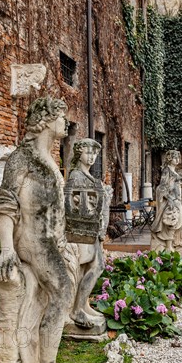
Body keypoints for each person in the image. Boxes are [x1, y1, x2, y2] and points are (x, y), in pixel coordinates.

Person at [0, 97, 77, 363]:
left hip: (53, 240)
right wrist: (6, 249)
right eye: (61, 116)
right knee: (63, 291)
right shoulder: (21, 158)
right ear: (45, 119)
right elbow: (5, 202)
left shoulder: (50, 158)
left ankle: (46, 361)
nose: (64, 122)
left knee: (62, 292)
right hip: (33, 240)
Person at [66, 138, 112, 329]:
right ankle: (77, 309)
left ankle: (83, 304)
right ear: (79, 154)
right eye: (88, 152)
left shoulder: (88, 177)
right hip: (82, 230)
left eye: (94, 153)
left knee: (92, 267)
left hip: (92, 229)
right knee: (94, 266)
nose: (92, 157)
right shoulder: (76, 176)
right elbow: (73, 203)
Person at [151, 150, 182, 253]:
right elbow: (162, 187)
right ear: (170, 158)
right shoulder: (167, 171)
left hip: (178, 200)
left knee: (180, 223)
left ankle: (178, 243)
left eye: (178, 157)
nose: (177, 159)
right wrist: (169, 199)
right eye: (175, 157)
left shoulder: (176, 171)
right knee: (172, 222)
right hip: (172, 201)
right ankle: (168, 246)